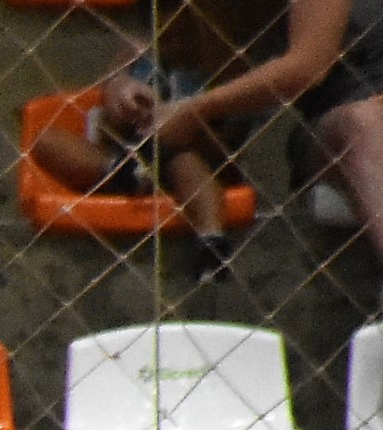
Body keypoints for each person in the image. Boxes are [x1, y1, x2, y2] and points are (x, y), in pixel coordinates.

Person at [126, 0, 383, 303]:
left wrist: (192, 110)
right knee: (364, 121)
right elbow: (165, 50)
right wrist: (127, 88)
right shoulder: (222, 16)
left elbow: (306, 66)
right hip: (348, 116)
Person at [27, 5, 251, 289]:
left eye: (186, 36)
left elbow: (230, 156)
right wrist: (121, 99)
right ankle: (126, 175)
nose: (174, 46)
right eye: (167, 37)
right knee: (46, 140)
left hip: (185, 156)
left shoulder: (225, 69)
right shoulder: (135, 55)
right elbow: (106, 119)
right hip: (126, 155)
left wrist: (190, 122)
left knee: (186, 167)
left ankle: (211, 242)